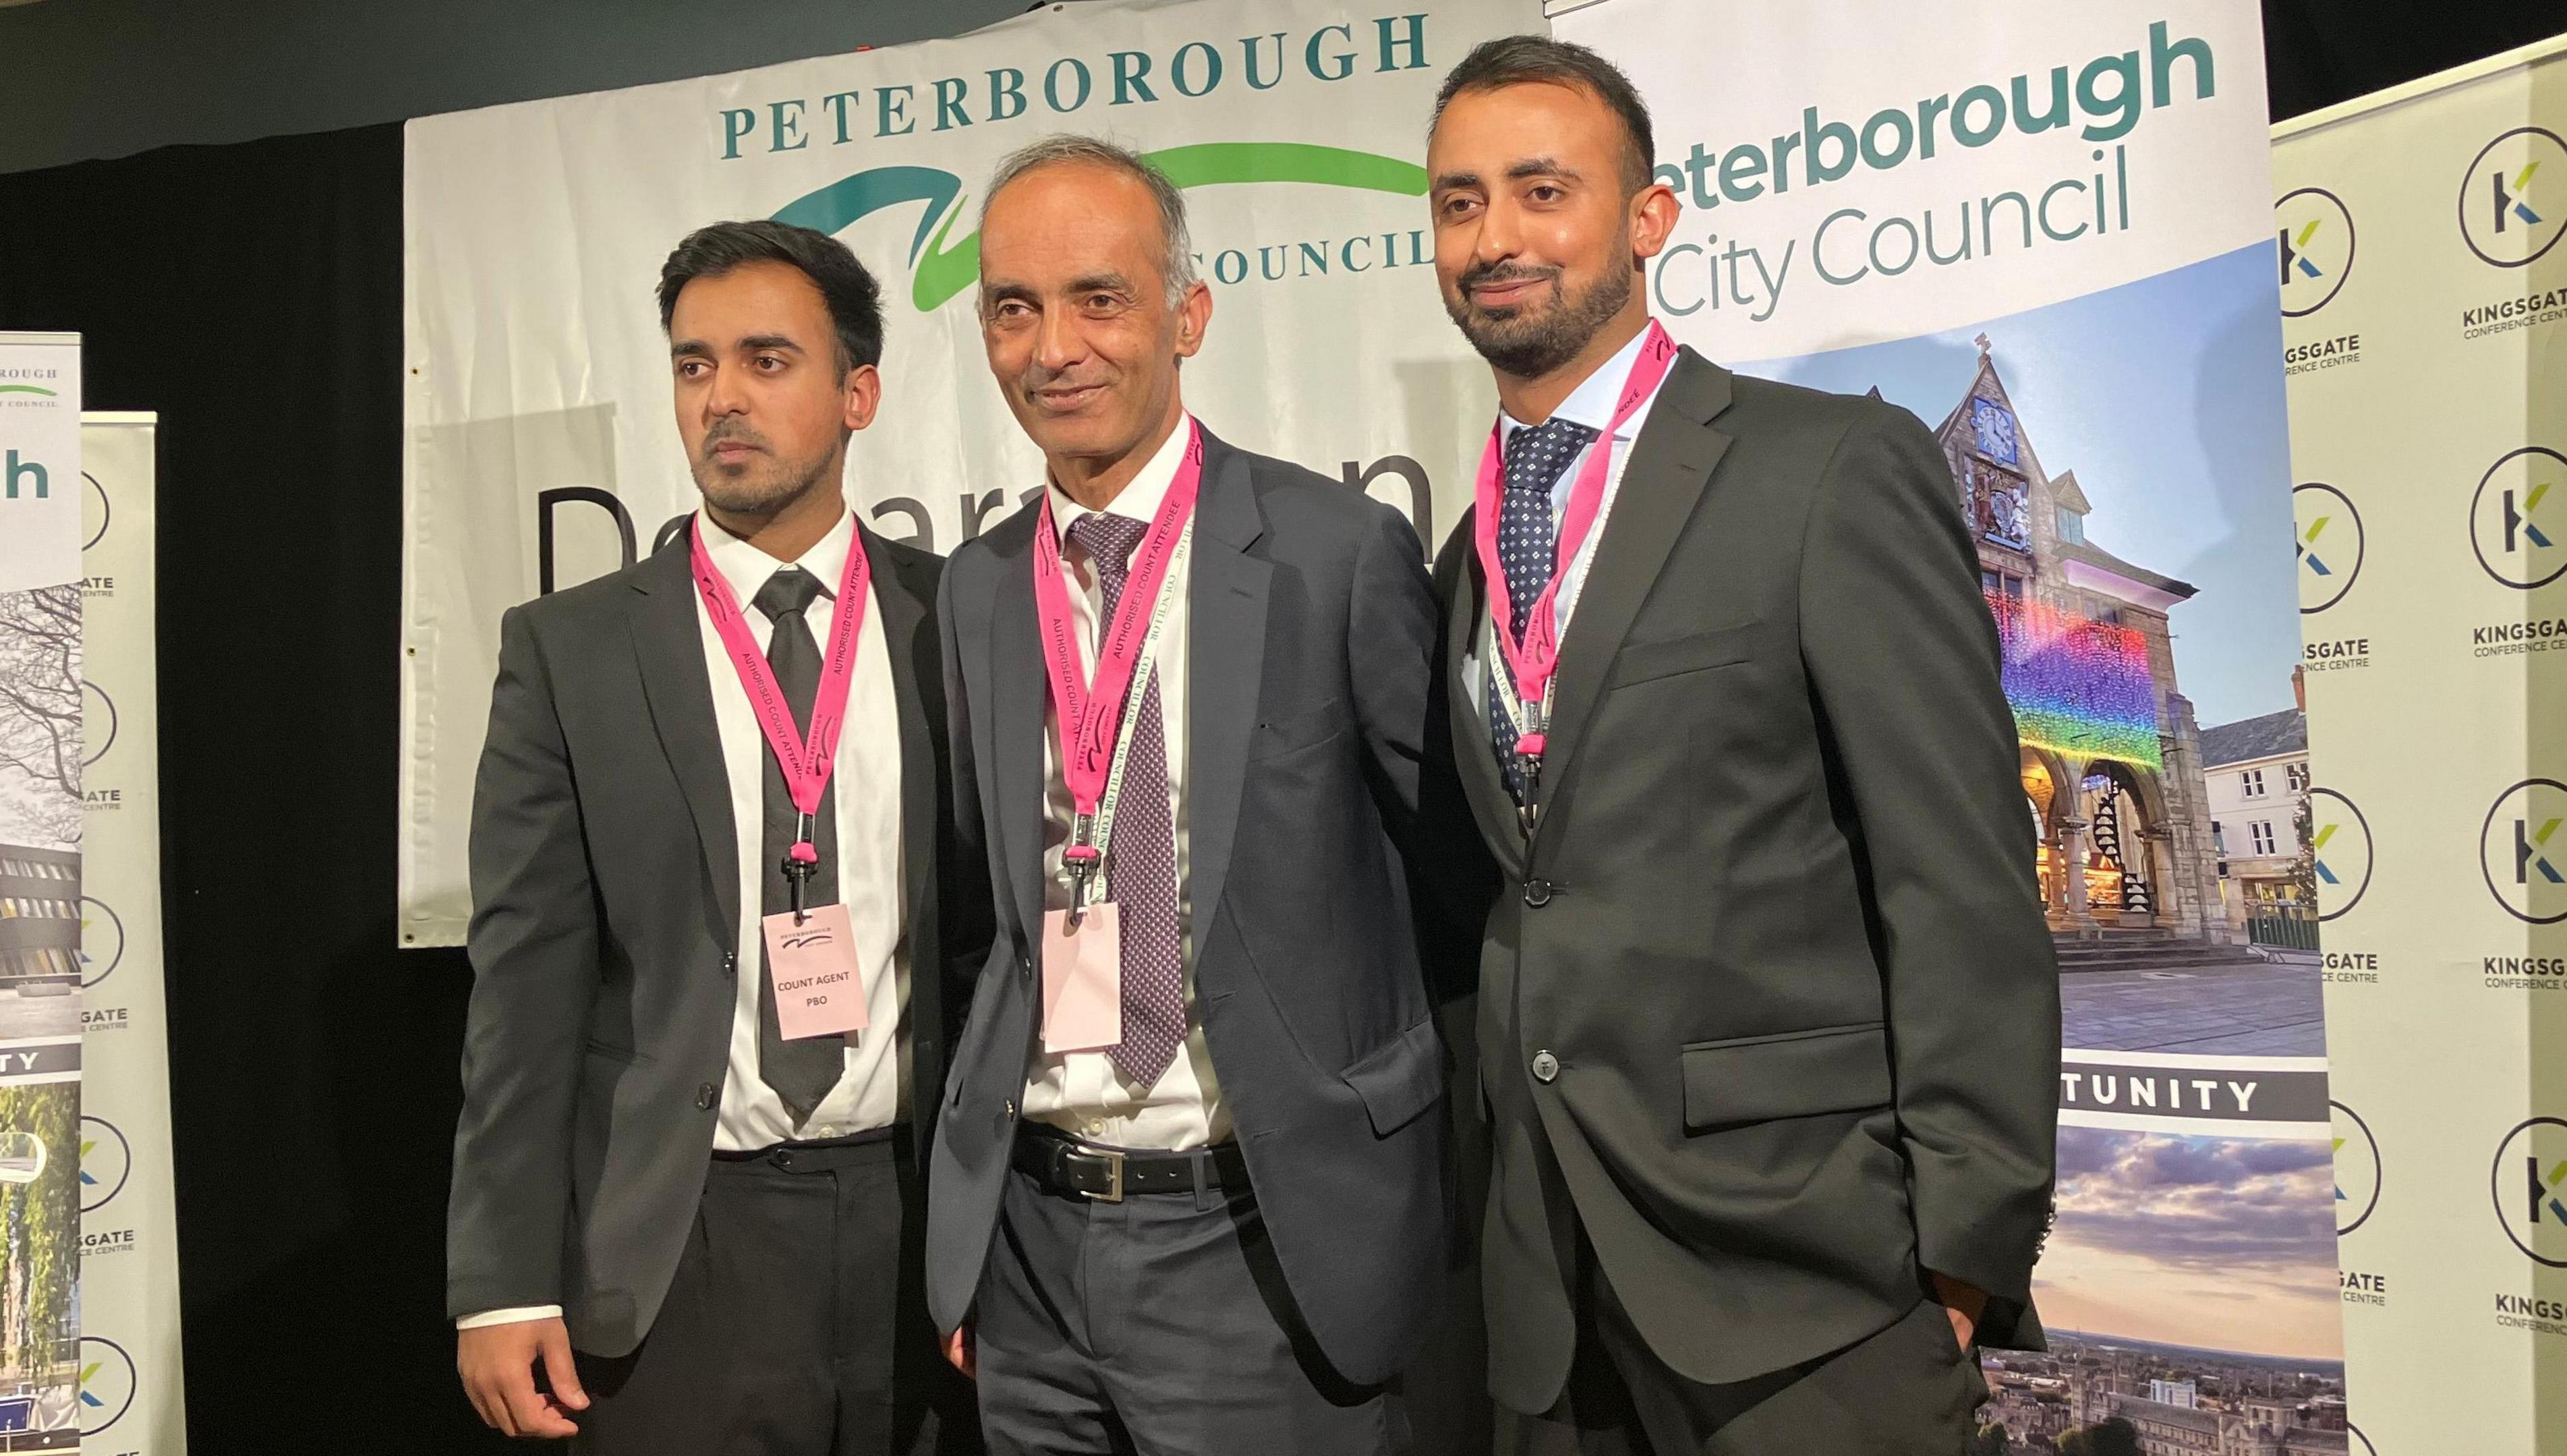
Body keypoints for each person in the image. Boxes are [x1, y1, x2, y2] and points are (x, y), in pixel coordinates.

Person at [1422, 36, 2061, 1456]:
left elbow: (1957, 870)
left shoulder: (1824, 467)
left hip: (1812, 1284)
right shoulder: (1471, 548)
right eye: (1460, 202)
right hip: (1551, 1293)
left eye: (1542, 190)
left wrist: (1964, 1242)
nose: (1496, 237)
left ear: (1647, 220)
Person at [925, 134, 1477, 1456]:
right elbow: (982, 917)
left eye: (1097, 298)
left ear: (1188, 314)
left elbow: (1454, 894)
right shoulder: (975, 591)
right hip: (1031, 1255)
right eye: (1014, 307)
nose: (1053, 345)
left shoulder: (1335, 553)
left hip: (1262, 1242)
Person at [448, 219, 977, 1454]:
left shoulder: (964, 618)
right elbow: (522, 989)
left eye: (766, 361)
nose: (722, 399)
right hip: (676, 1241)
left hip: (924, 1233)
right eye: (694, 366)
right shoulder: (569, 651)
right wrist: (501, 1279)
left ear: (860, 392)